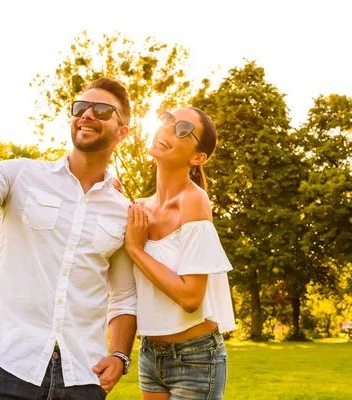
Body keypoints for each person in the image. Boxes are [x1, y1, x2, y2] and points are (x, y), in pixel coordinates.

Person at [0, 39, 137, 399]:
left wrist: (119, 354)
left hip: (83, 378)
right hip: (6, 366)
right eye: (81, 106)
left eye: (101, 110)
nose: (86, 114)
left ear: (123, 131)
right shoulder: (20, 176)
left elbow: (124, 297)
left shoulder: (124, 211)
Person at [124, 107, 236, 399]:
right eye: (167, 119)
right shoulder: (140, 207)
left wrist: (136, 249)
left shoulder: (194, 201)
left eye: (183, 128)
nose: (167, 128)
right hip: (151, 352)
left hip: (196, 357)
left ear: (198, 158)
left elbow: (190, 297)